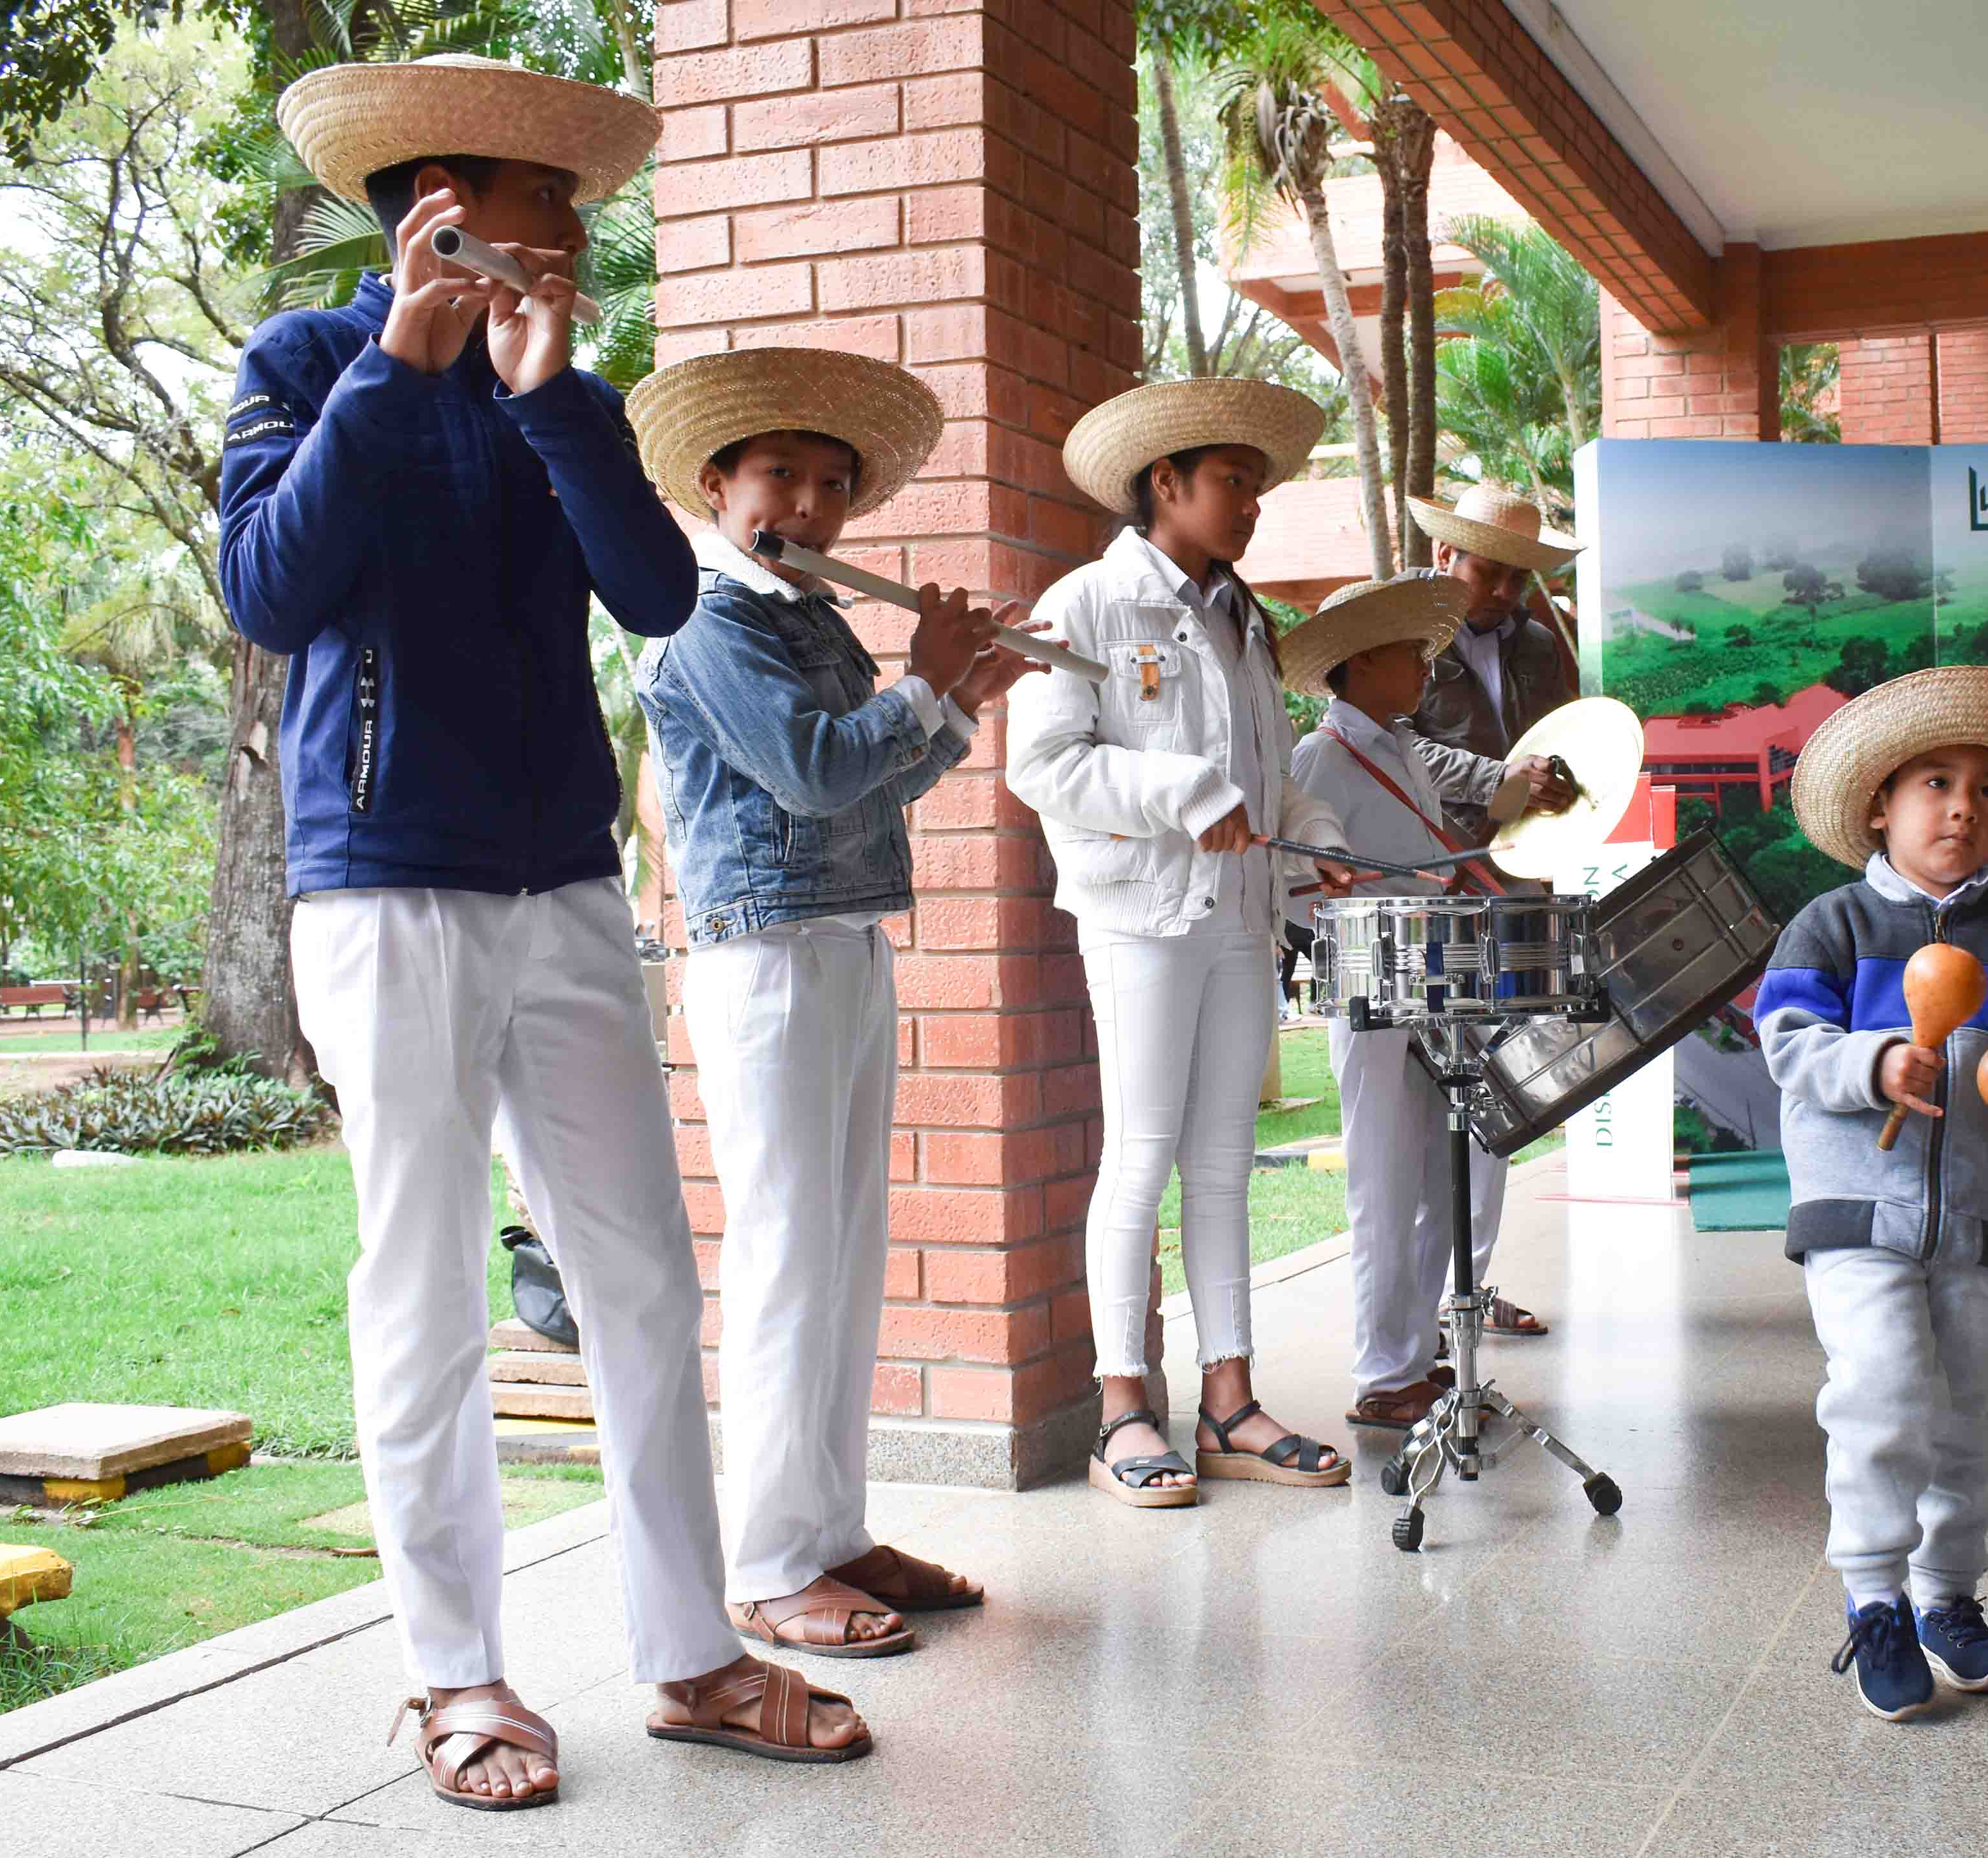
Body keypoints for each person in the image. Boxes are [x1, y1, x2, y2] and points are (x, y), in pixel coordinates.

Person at [224, 55, 865, 1807]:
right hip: (384, 882)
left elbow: (657, 596)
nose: (578, 223)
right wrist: (396, 369)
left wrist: (551, 393)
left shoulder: (550, 383)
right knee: (422, 1292)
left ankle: (688, 1652)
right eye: (553, 198)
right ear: (444, 195)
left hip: (565, 883)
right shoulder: (303, 363)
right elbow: (271, 592)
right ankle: (455, 1675)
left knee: (644, 1282)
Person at [625, 349, 1036, 1663]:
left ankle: (833, 1531)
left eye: (829, 485)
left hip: (846, 939)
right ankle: (765, 1565)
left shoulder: (808, 617)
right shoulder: (707, 617)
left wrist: (961, 698)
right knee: (789, 1256)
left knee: (846, 1254)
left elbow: (874, 785)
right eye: (781, 477)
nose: (807, 505)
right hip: (766, 958)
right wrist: (924, 679)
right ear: (714, 485)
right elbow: (810, 774)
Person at [1007, 378, 1362, 1507]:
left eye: (1256, 487)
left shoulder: (1244, 618)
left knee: (1221, 1168)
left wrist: (1316, 834)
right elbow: (1043, 764)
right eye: (1232, 484)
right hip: (1141, 917)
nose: (1251, 505)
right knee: (1142, 1154)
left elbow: (1267, 776)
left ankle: (1227, 1399)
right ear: (1166, 484)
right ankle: (1122, 1405)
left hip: (1240, 917)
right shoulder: (1087, 603)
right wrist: (1180, 789)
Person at [1757, 665, 1988, 1721]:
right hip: (1854, 1213)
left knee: (1968, 1412)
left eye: (1987, 788)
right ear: (1879, 803)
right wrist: (1871, 1064)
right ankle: (1872, 1594)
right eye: (1934, 781)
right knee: (1879, 1386)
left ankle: (1945, 1593)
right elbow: (1784, 1041)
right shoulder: (1828, 923)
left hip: (1983, 1214)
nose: (1962, 804)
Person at [1279, 578, 1578, 1430]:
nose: (1424, 664)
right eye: (1409, 652)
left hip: (1430, 977)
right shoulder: (1319, 758)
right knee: (1381, 1178)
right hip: (1375, 982)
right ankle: (1382, 1373)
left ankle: (1417, 1354)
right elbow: (1303, 888)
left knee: (1433, 1173)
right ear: (1362, 660)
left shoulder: (1401, 746)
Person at [1404, 482, 1585, 844]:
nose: (1505, 592)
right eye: (1487, 574)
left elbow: (1560, 736)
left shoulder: (1538, 644)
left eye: (1518, 579)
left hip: (1527, 847)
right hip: (1425, 853)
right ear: (1444, 555)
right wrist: (1499, 780)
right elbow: (1381, 748)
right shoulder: (1396, 633)